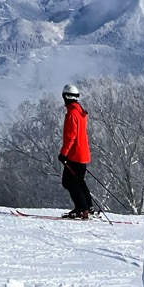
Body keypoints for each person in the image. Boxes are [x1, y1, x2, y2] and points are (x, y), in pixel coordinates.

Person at [59, 83, 94, 219]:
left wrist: (63, 153)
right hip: (83, 153)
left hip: (75, 154)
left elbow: (70, 136)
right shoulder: (80, 112)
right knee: (79, 180)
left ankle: (82, 209)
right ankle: (88, 207)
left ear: (65, 97)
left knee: (69, 182)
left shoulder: (72, 114)